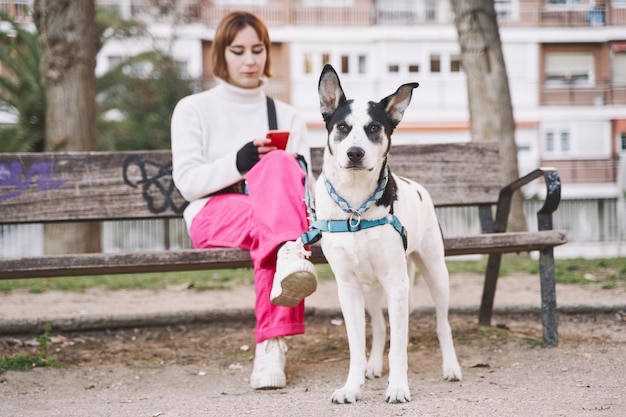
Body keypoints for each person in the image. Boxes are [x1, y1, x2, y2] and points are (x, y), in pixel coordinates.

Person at [170, 11, 318, 390]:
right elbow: (187, 183)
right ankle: (273, 339)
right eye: (238, 51)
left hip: (270, 217)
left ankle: (272, 343)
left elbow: (307, 190)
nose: (250, 60)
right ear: (221, 54)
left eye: (258, 49)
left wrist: (281, 165)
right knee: (282, 234)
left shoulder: (285, 116)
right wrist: (239, 163)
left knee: (280, 180)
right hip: (212, 211)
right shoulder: (193, 108)